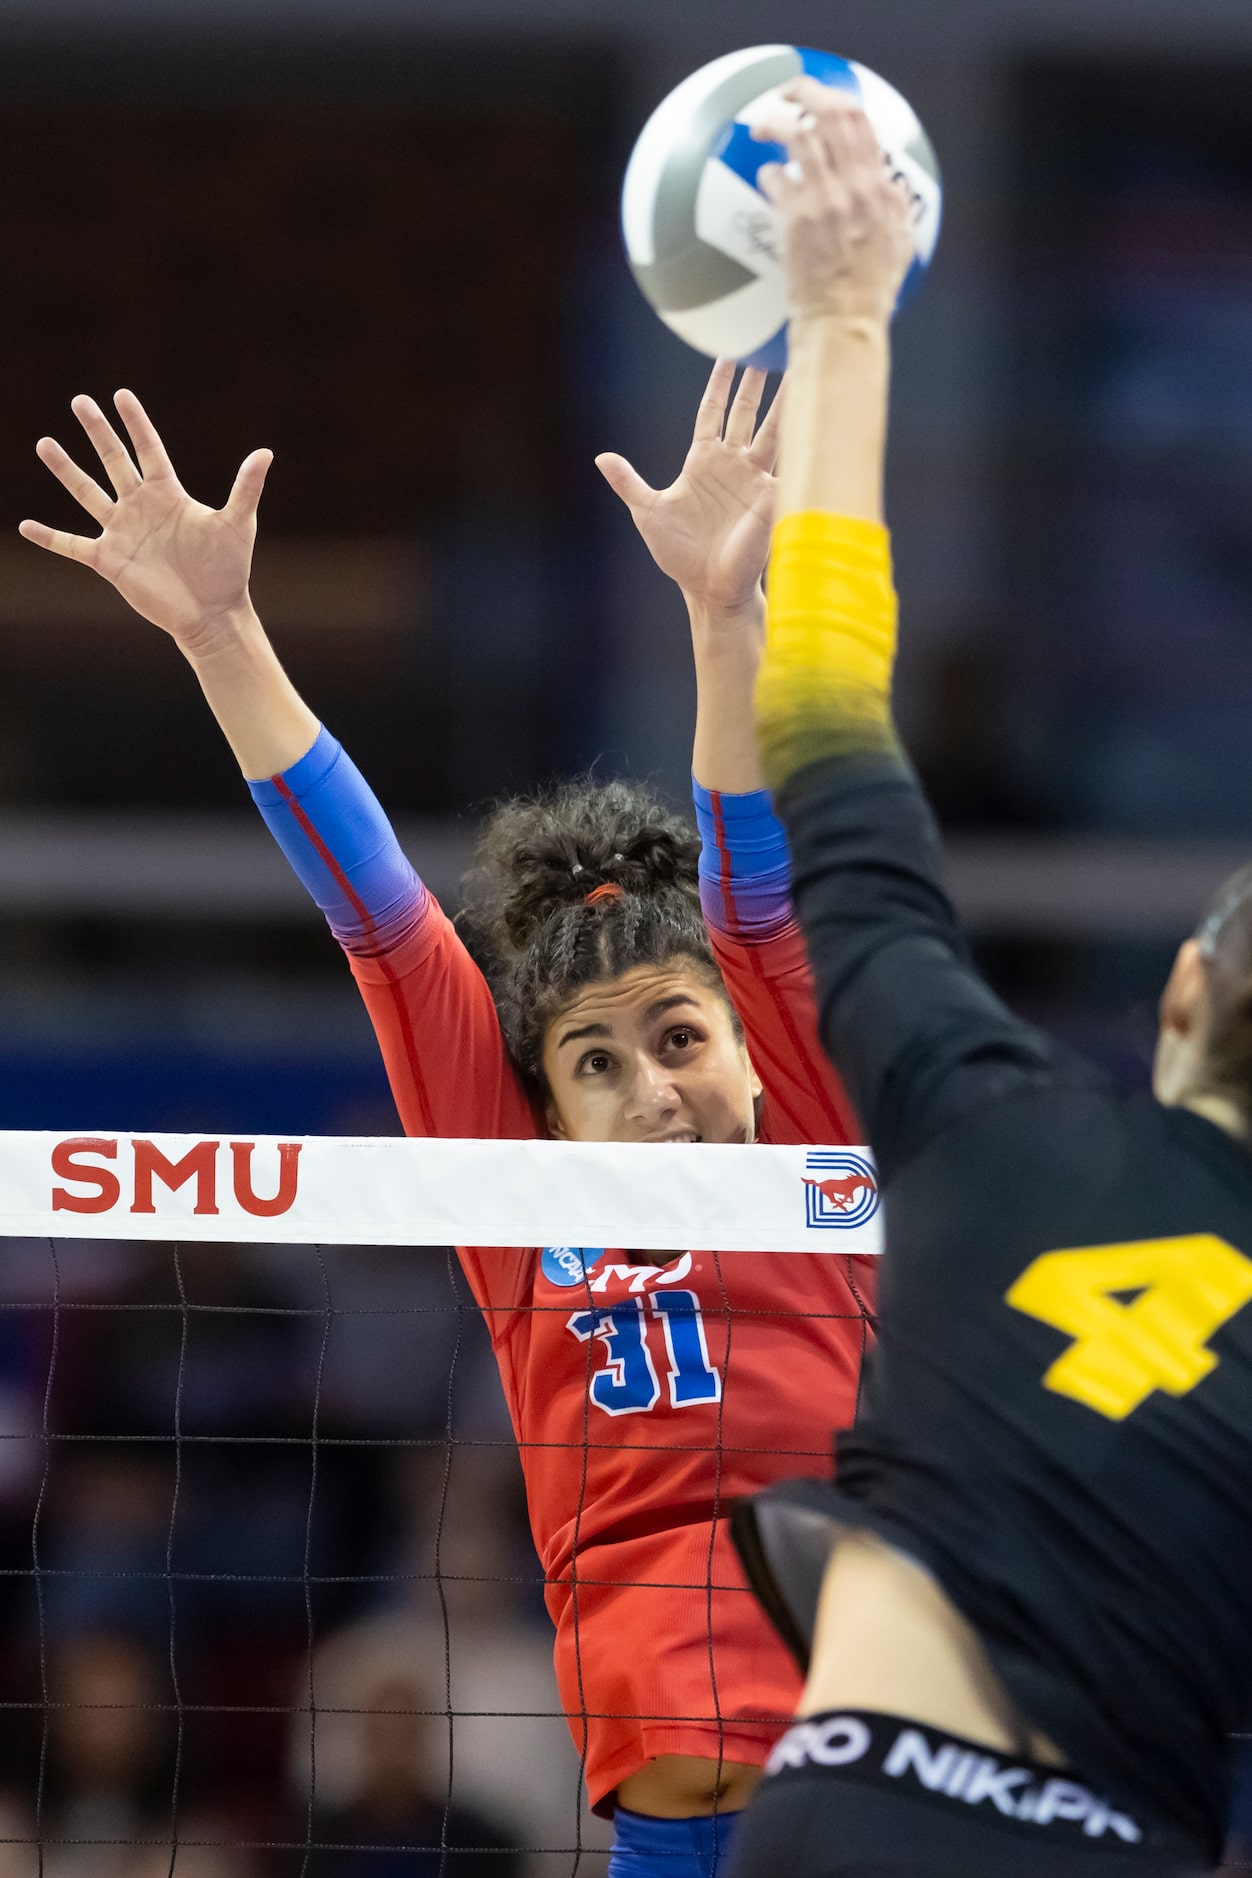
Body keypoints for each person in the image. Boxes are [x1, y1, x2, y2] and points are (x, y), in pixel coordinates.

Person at [19, 364, 875, 1873]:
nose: (652, 1086)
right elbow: (391, 929)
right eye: (595, 1065)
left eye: (679, 1037)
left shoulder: (809, 1144)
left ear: (752, 1051)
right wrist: (221, 630)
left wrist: (720, 616)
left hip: (870, 1790)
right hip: (665, 1826)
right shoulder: (522, 1207)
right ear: (544, 1115)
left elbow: (750, 877)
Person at [723, 78, 1252, 1878]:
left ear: (1183, 993)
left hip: (841, 1812)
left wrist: (842, 318)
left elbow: (822, 720)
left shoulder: (981, 1111)